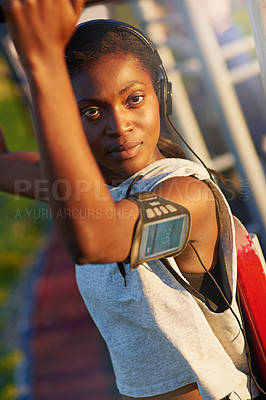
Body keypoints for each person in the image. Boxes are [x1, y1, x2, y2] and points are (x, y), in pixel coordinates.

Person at [0, 1, 263, 399]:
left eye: (134, 99)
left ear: (161, 96)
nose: (119, 125)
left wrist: (43, 64)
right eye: (92, 111)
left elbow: (98, 240)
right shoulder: (95, 189)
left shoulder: (187, 196)